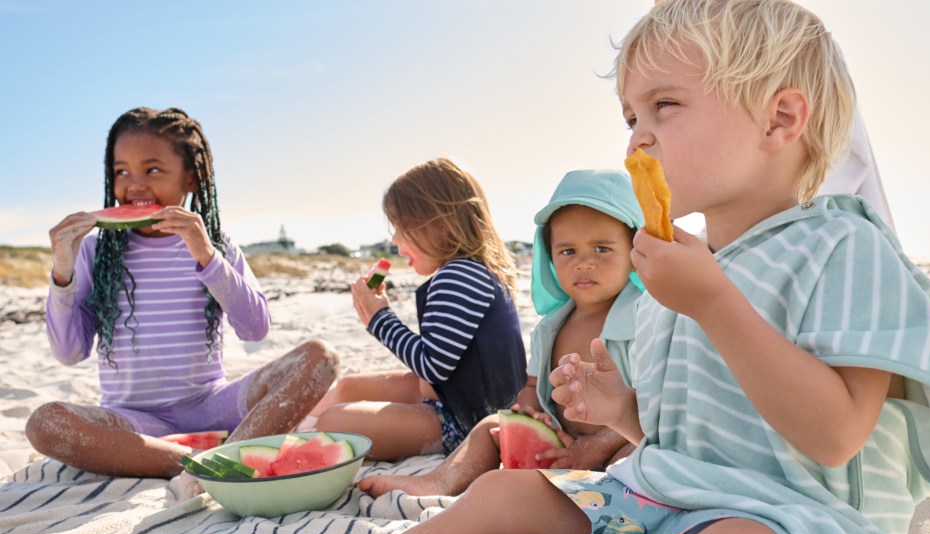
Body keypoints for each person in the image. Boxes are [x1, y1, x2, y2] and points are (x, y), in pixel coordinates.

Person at [308, 1, 930, 534]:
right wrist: (622, 409)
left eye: (664, 105)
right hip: (661, 504)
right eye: (630, 115)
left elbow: (836, 434)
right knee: (501, 494)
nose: (637, 135)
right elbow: (685, 435)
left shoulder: (843, 247)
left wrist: (714, 301)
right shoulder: (677, 266)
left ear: (780, 119)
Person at [25, 107, 339, 479]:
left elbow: (255, 329)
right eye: (121, 171)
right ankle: (213, 461)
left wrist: (206, 256)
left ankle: (218, 454)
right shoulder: (95, 253)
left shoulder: (215, 244)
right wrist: (62, 272)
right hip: (135, 421)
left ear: (193, 178)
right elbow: (69, 352)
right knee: (44, 423)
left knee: (321, 358)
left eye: (152, 170)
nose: (134, 184)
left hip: (212, 405)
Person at [359, 169, 644, 497]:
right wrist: (530, 413)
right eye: (568, 251)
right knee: (490, 427)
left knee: (639, 456)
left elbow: (653, 406)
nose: (584, 263)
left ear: (634, 252)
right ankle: (438, 482)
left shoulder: (643, 317)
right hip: (560, 444)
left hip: (620, 441)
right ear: (549, 256)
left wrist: (595, 446)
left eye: (602, 249)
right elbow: (533, 386)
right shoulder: (551, 325)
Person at [301, 158, 527, 461]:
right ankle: (293, 435)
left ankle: (297, 442)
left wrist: (379, 318)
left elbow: (433, 365)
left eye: (401, 227)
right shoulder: (469, 271)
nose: (394, 240)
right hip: (451, 399)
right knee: (347, 387)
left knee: (334, 422)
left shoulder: (458, 276)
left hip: (466, 423)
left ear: (440, 225)